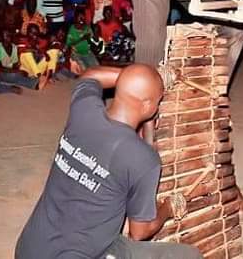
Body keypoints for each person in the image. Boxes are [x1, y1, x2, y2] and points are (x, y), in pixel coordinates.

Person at [15, 64, 202, 259]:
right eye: (158, 99)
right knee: (189, 255)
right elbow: (140, 232)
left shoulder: (83, 109)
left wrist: (139, 80)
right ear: (147, 105)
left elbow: (91, 74)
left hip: (29, 249)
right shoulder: (143, 159)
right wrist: (168, 208)